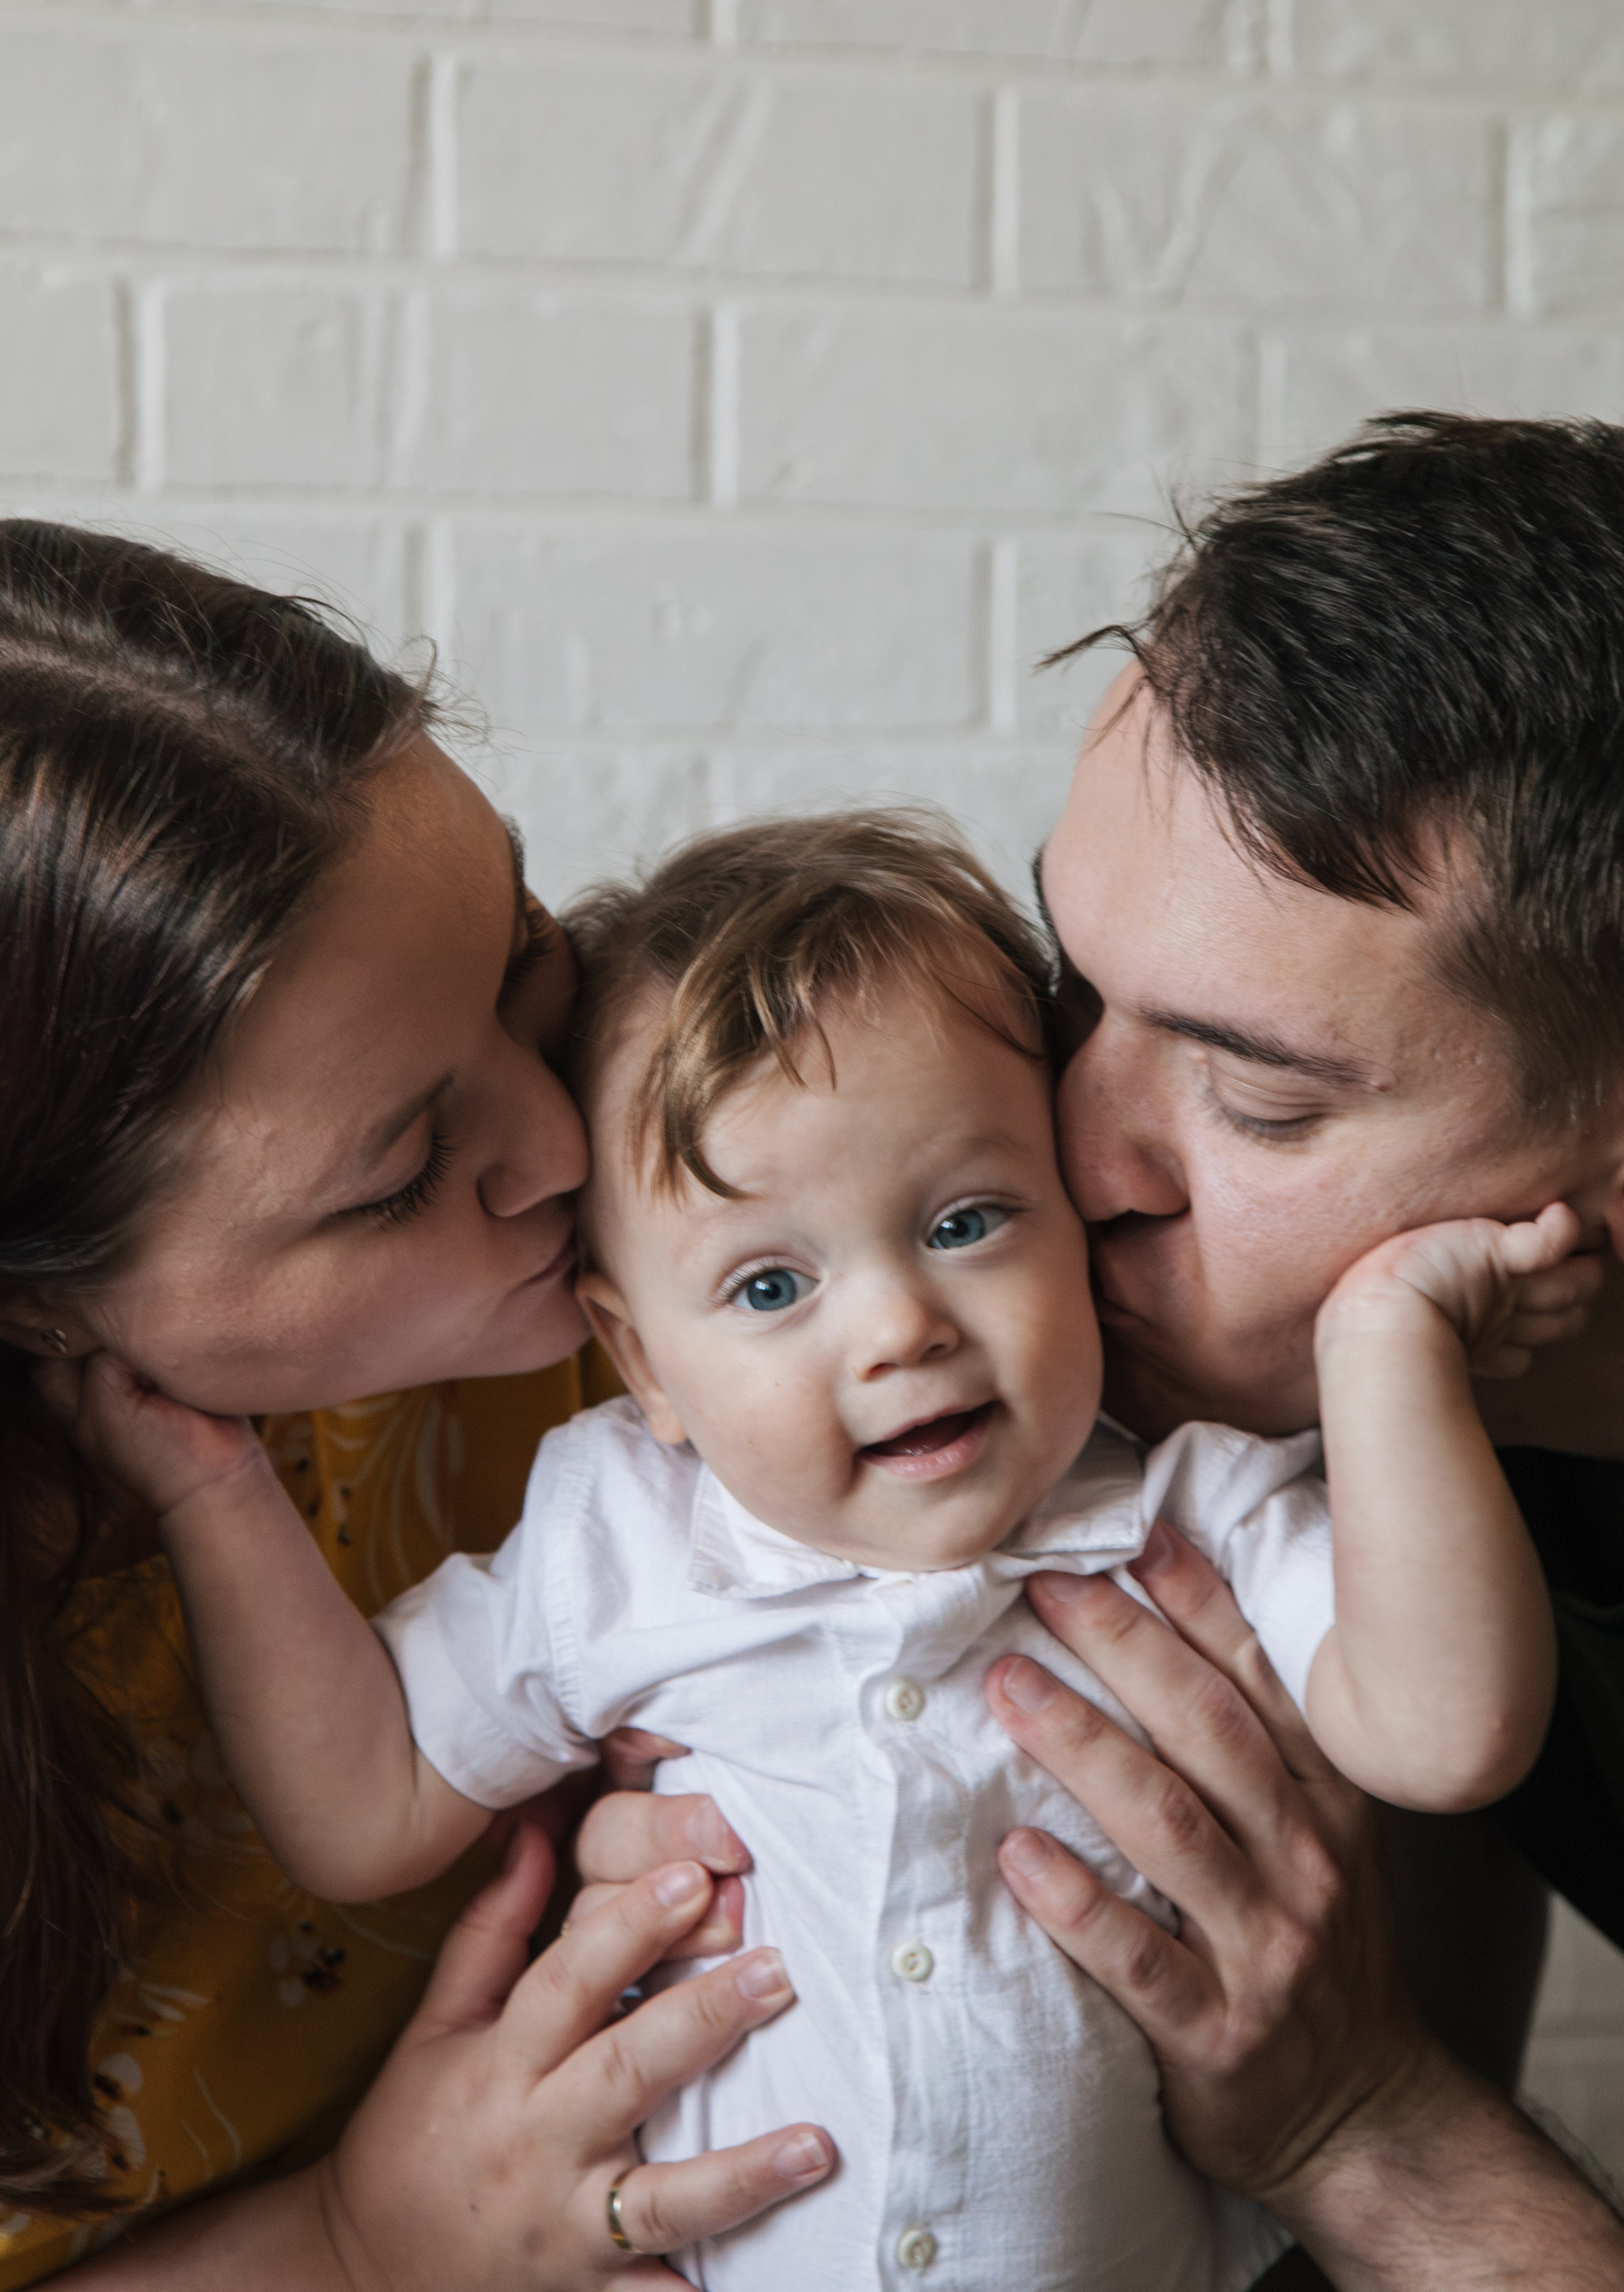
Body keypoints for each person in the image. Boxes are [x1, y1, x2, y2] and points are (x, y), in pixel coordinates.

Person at [48, 808, 1600, 2289]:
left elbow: (1447, 1733)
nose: (899, 1329)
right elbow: (366, 1805)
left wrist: (1385, 1348)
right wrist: (215, 1498)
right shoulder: (619, 1532)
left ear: (1076, 1209)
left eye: (965, 1222)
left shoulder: (1195, 1506)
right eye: (771, 1289)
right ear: (637, 1360)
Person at [0, 523, 834, 2291]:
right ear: (37, 1299)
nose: (559, 1151)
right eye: (397, 1181)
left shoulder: (650, 1265)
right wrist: (356, 2242)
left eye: (522, 955)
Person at [983, 413, 1624, 2286]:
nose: (1070, 1162)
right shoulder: (1405, 1408)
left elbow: (1382, 2093)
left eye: (1254, 1098)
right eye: (1076, 983)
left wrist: (1371, 2132)